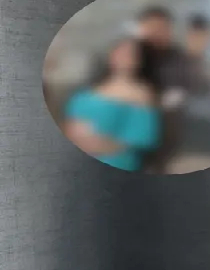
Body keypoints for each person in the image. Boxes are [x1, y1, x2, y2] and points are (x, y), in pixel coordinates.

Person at [61, 36, 161, 172]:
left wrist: (97, 145)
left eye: (129, 54)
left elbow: (142, 138)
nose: (122, 57)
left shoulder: (141, 93)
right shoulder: (89, 88)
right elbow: (69, 125)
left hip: (113, 159)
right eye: (118, 51)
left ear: (139, 60)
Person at [136, 7, 210, 173]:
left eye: (162, 29)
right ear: (140, 29)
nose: (157, 34)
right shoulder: (127, 54)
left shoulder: (181, 58)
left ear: (170, 31)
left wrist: (196, 57)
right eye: (151, 28)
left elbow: (203, 89)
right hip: (128, 132)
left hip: (165, 136)